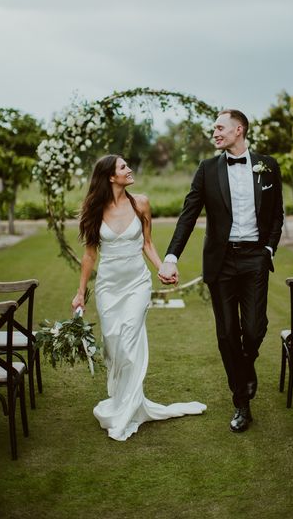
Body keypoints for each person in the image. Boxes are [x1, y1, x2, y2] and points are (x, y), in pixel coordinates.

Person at [158, 109, 284, 433]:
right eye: (213, 128)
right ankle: (241, 402)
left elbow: (277, 214)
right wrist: (171, 256)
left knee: (254, 330)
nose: (214, 133)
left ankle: (247, 365)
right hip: (222, 261)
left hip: (255, 257)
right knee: (228, 334)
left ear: (238, 129)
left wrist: (268, 248)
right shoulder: (207, 169)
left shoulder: (267, 166)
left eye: (220, 128)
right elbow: (188, 215)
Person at [71, 154, 206, 441]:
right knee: (113, 344)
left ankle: (129, 408)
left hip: (137, 284)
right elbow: (90, 255)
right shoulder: (94, 210)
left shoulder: (140, 203)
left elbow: (147, 243)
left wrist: (163, 268)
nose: (129, 169)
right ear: (110, 176)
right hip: (108, 287)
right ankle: (121, 400)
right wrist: (81, 293)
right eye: (123, 167)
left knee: (130, 340)